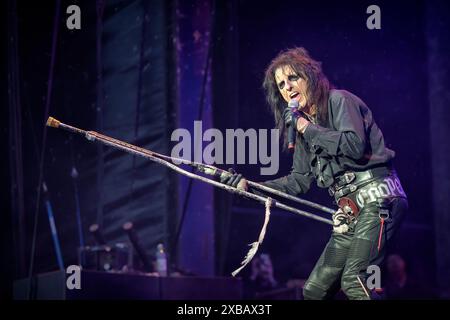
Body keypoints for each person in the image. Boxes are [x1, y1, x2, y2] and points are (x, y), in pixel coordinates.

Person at [221, 47, 408, 300]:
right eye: (281, 85)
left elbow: (354, 146)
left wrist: (304, 126)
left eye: (293, 78)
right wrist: (249, 186)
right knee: (314, 290)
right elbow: (298, 181)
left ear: (310, 76)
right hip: (351, 215)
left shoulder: (338, 100)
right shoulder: (303, 130)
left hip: (379, 200)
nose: (287, 87)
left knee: (354, 280)